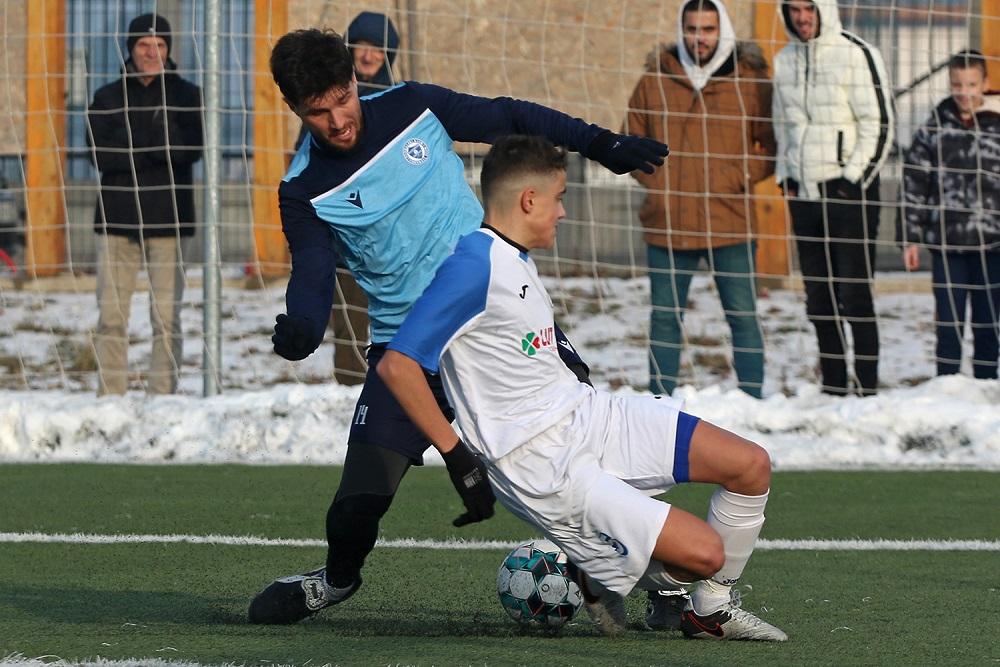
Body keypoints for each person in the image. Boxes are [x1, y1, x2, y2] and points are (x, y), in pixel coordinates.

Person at [246, 28, 668, 625]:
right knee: (354, 506)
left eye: (343, 98)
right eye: (319, 111)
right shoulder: (304, 189)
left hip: (497, 320)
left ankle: (666, 585)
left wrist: (601, 144)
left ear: (355, 83)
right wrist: (303, 329)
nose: (338, 119)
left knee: (589, 454)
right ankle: (337, 581)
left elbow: (510, 116)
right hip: (407, 351)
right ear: (295, 109)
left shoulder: (412, 106)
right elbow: (312, 275)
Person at [378, 135, 787, 641]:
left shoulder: (513, 257)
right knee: (707, 554)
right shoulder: (473, 265)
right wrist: (457, 455)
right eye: (559, 197)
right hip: (541, 461)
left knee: (750, 464)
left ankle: (708, 609)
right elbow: (397, 365)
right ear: (529, 200)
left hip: (586, 415)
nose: (565, 212)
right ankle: (594, 573)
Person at [626, 0, 775, 399]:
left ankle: (753, 401)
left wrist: (736, 176)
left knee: (743, 317)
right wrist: (660, 182)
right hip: (668, 220)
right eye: (692, 29)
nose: (700, 38)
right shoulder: (654, 79)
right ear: (682, 30)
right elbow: (629, 141)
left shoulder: (751, 80)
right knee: (664, 319)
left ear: (721, 30)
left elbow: (770, 146)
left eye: (708, 29)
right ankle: (660, 400)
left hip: (730, 219)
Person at [772, 0, 894, 396]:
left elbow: (879, 122)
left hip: (848, 193)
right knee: (819, 298)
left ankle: (869, 390)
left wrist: (852, 179)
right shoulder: (784, 60)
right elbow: (782, 125)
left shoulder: (857, 53)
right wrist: (785, 174)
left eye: (809, 8)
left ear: (823, 8)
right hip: (803, 195)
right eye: (794, 10)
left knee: (854, 293)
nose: (802, 17)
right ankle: (834, 388)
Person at [87, 13, 203, 395]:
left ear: (169, 50)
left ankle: (162, 396)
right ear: (130, 49)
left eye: (160, 46)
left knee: (166, 318)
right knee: (111, 316)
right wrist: (155, 142)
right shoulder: (106, 96)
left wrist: (132, 139)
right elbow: (99, 155)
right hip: (116, 220)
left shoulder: (187, 95)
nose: (151, 53)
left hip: (169, 220)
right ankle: (110, 396)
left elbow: (190, 150)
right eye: (143, 45)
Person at [901, 50, 1000, 379]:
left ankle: (987, 390)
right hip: (947, 245)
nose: (964, 92)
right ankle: (947, 389)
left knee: (989, 326)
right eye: (957, 84)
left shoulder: (997, 125)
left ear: (985, 84)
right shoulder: (934, 127)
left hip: (993, 246)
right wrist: (910, 237)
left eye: (971, 84)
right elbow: (914, 182)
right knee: (949, 326)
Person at [326, 11, 401, 385]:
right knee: (350, 323)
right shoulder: (330, 102)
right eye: (361, 47)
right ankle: (348, 393)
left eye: (377, 48)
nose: (369, 55)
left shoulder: (399, 102)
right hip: (347, 236)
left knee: (401, 325)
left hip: (394, 236)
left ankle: (402, 392)